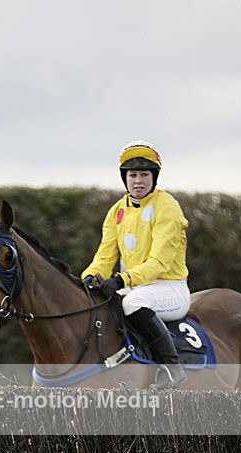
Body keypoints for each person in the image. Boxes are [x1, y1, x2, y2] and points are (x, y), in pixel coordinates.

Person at [81, 140, 190, 388]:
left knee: (132, 303)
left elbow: (159, 263)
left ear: (154, 177)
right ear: (125, 178)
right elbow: (105, 256)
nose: (138, 181)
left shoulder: (167, 207)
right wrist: (91, 275)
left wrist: (122, 279)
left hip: (168, 287)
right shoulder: (116, 211)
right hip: (133, 287)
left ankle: (172, 368)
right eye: (132, 175)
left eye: (144, 175)